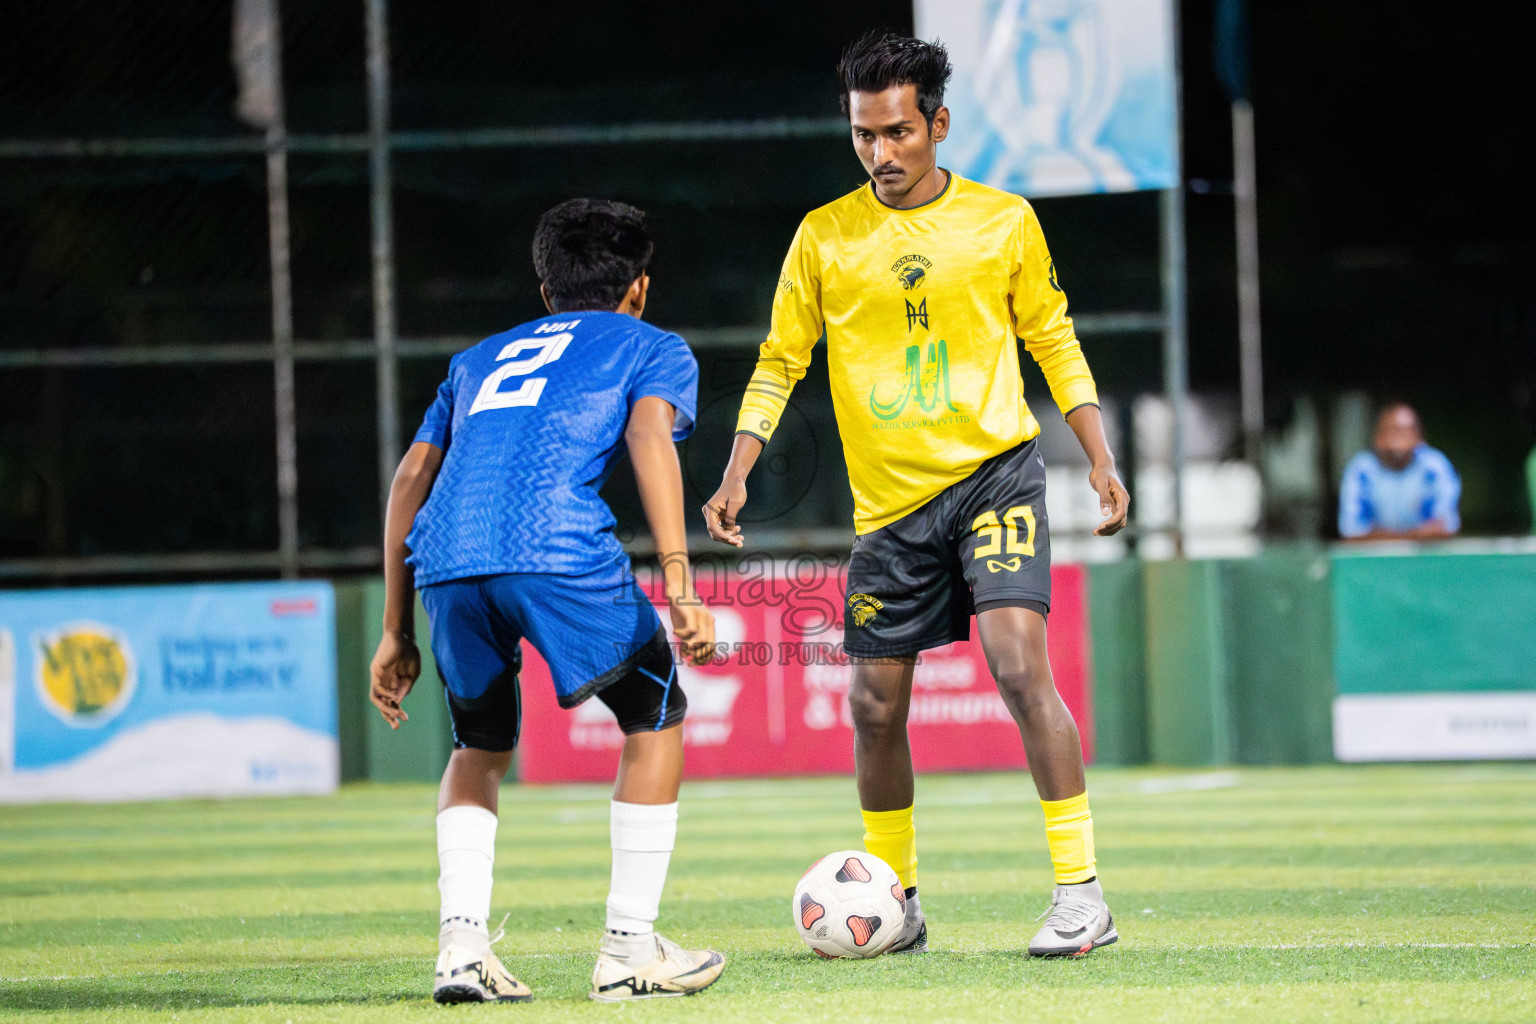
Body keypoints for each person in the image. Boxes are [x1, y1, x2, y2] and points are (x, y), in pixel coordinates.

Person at [703, 31, 1129, 958]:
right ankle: (898, 903)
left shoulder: (1005, 220)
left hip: (995, 476)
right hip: (889, 510)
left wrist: (1098, 455)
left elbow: (1053, 339)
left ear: (937, 124)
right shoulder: (824, 235)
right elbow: (780, 361)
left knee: (1019, 667)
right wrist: (737, 471)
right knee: (872, 707)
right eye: (862, 135)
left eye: (896, 132)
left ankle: (1080, 892)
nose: (879, 154)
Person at [368, 198, 725, 1003]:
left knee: (478, 745)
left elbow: (409, 481)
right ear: (639, 286)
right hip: (554, 546)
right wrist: (680, 585)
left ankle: (461, 953)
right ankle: (629, 948)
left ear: (545, 289)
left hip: (446, 559)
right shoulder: (653, 345)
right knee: (655, 710)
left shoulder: (475, 360)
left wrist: (395, 628)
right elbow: (645, 438)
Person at [1338, 402, 1461, 540]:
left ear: (1420, 438)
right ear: (1377, 437)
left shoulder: (1435, 467)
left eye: (1405, 431)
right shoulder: (1360, 470)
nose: (1397, 439)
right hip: (1375, 559)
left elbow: (1445, 528)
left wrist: (1379, 535)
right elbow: (1352, 532)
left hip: (1424, 559)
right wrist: (1413, 536)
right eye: (1391, 431)